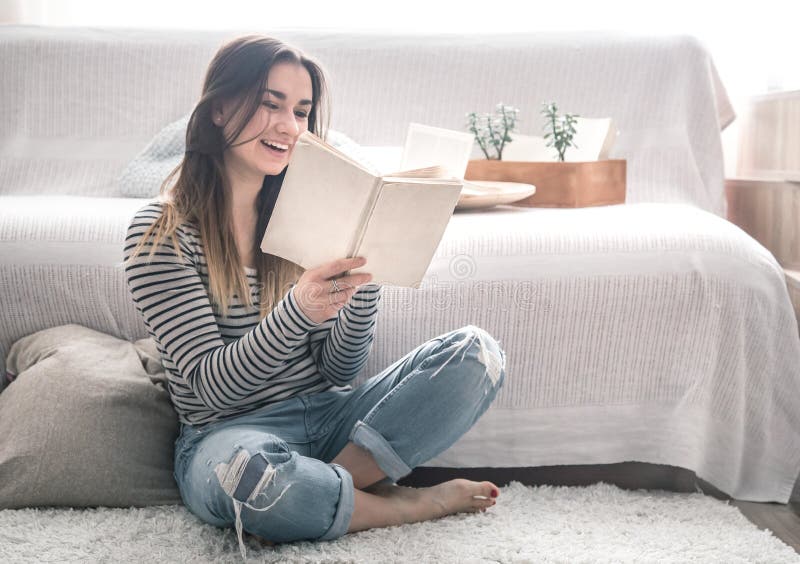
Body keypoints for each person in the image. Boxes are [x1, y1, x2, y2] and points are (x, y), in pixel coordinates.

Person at [122, 34, 507, 559]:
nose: (288, 126)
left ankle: (328, 492)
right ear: (218, 109)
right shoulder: (159, 235)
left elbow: (338, 371)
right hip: (230, 437)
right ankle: (406, 505)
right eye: (269, 103)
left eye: (301, 112)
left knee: (477, 354)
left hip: (331, 419)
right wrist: (298, 310)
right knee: (252, 478)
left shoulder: (309, 219)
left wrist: (365, 284)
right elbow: (213, 392)